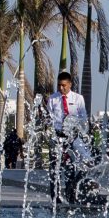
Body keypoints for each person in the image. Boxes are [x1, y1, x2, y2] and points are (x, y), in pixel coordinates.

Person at [44, 71, 89, 204]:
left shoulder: (78, 99)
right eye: (59, 85)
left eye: (64, 85)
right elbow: (49, 118)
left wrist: (79, 130)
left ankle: (71, 196)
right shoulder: (53, 99)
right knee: (54, 169)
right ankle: (55, 198)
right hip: (57, 137)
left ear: (70, 84)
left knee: (70, 168)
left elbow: (83, 118)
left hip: (72, 137)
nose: (61, 88)